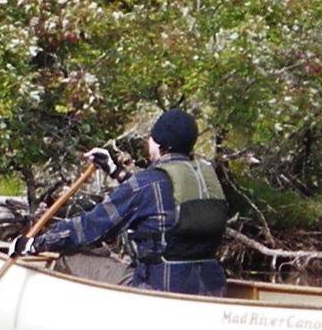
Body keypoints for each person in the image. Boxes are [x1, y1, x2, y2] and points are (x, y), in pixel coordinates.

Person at [39, 106, 236, 293]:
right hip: (211, 288)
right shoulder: (207, 179)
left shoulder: (146, 184)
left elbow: (90, 228)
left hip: (158, 289)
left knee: (68, 259)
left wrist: (37, 243)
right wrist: (114, 170)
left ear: (158, 144)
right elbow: (158, 194)